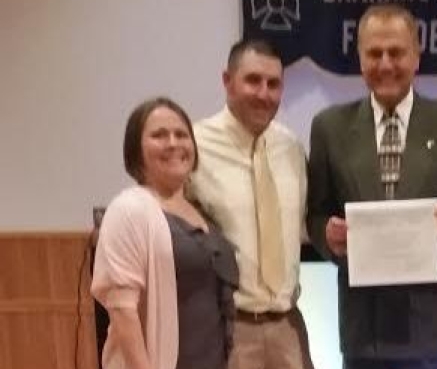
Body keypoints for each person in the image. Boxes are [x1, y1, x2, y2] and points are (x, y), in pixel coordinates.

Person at [307, 4, 437, 369]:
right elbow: (317, 212)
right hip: (363, 326)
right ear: (360, 59)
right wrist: (327, 235)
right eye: (374, 53)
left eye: (397, 52)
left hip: (431, 323)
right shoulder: (329, 127)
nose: (385, 64)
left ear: (417, 56)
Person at [187, 39, 313, 369]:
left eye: (273, 84)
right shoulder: (194, 147)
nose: (264, 93)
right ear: (227, 81)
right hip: (229, 328)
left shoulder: (291, 148)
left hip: (288, 324)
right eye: (253, 80)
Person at [91, 97, 239, 369]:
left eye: (182, 134)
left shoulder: (201, 211)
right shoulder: (128, 210)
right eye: (159, 135)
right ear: (136, 149)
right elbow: (123, 312)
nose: (173, 143)